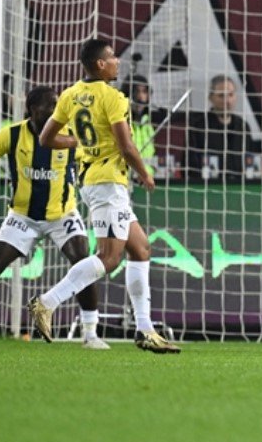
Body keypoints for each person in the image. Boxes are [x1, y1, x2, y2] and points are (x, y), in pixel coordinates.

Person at [31, 39, 179, 353]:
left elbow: (45, 137)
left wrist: (80, 145)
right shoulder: (113, 97)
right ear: (100, 64)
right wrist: (145, 172)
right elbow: (126, 145)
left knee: (140, 249)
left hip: (92, 180)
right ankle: (46, 302)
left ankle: (145, 329)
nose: (117, 62)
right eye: (112, 57)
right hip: (109, 184)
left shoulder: (70, 95)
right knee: (109, 258)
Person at [0, 86, 97, 348]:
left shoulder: (69, 136)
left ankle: (91, 335)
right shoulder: (11, 135)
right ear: (32, 110)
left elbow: (91, 160)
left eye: (58, 105)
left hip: (63, 214)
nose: (57, 111)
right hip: (23, 217)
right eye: (50, 106)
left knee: (84, 263)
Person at [185, 75, 262, 180]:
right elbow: (188, 167)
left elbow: (250, 162)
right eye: (221, 96)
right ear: (210, 98)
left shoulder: (243, 126)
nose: (227, 101)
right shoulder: (199, 126)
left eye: (230, 95)